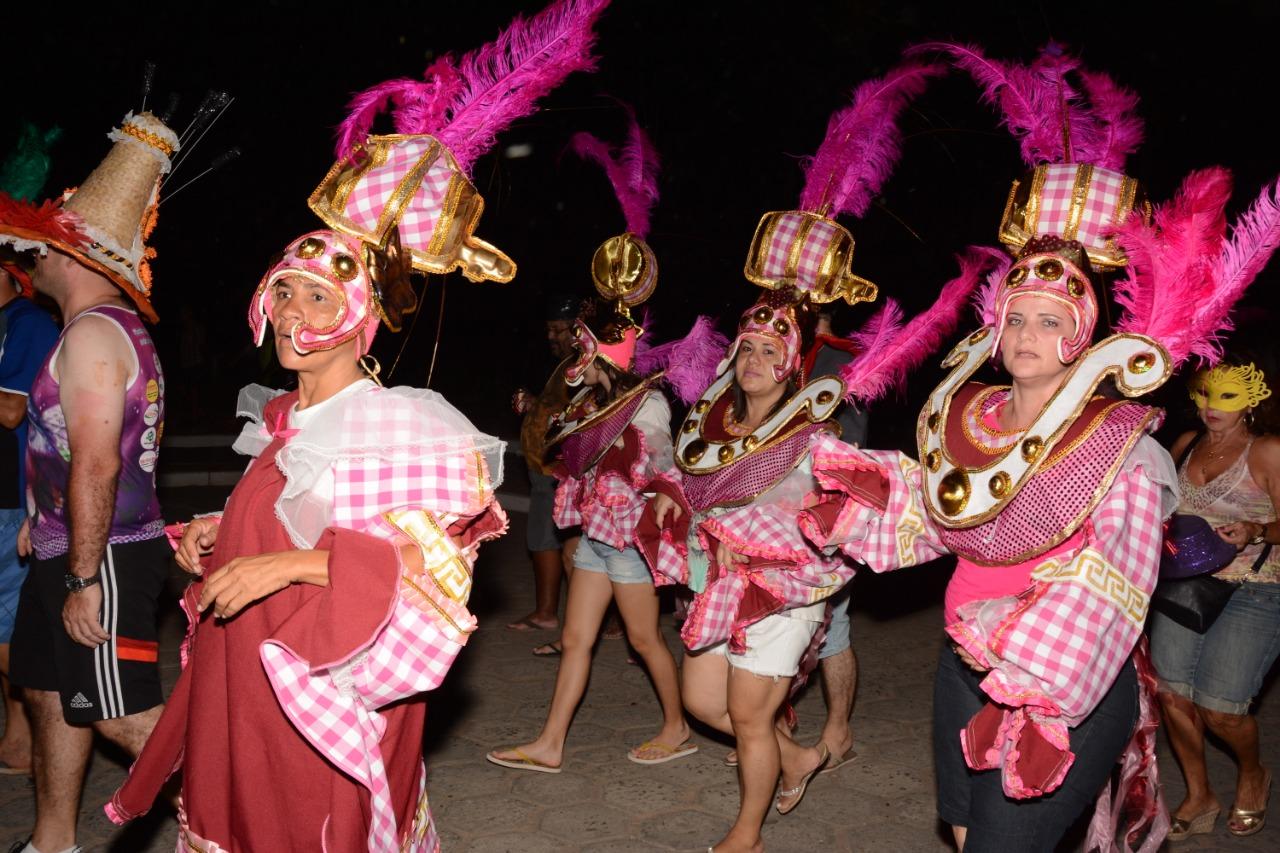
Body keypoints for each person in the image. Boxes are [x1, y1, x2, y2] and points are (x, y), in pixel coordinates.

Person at [107, 5, 605, 847]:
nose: (298, 310)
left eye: (321, 296)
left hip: (327, 683)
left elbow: (433, 568)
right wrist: (217, 538)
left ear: (361, 318)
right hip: (248, 672)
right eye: (289, 291)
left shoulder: (397, 426)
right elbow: (286, 516)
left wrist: (279, 564)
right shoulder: (280, 417)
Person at [488, 114, 694, 770]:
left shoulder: (648, 403)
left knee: (643, 639)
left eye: (587, 343)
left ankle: (678, 724)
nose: (577, 350)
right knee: (577, 639)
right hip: (596, 540)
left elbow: (664, 472)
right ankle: (550, 744)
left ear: (612, 350)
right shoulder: (583, 398)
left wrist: (650, 480)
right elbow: (563, 453)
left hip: (628, 538)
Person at [0, 111, 179, 853]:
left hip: (102, 557)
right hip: (64, 546)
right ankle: (51, 844)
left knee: (118, 714)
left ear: (72, 257)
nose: (25, 254)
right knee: (48, 696)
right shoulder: (90, 330)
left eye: (39, 247)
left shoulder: (98, 334)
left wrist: (82, 578)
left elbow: (101, 464)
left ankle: (243, 817)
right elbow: (69, 451)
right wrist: (39, 517)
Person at [1152, 353, 1280, 839]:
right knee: (1173, 695)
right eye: (1204, 393)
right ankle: (1199, 792)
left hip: (1256, 589)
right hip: (1185, 586)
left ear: (1250, 402)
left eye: (1226, 396)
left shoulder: (1267, 451)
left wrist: (1257, 529)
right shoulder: (1185, 445)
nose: (1211, 406)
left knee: (1221, 708)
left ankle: (1253, 775)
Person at [0, 255, 58, 775]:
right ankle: (19, 742)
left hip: (14, 497)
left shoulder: (29, 322)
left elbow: (10, 410)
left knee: (9, 626)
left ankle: (32, 741)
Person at [508, 292, 580, 635]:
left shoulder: (584, 368)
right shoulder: (564, 366)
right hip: (543, 468)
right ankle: (551, 613)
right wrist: (533, 405)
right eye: (549, 330)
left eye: (559, 330)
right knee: (549, 541)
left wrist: (538, 406)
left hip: (559, 472)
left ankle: (551, 615)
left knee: (551, 542)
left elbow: (579, 418)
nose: (551, 337)